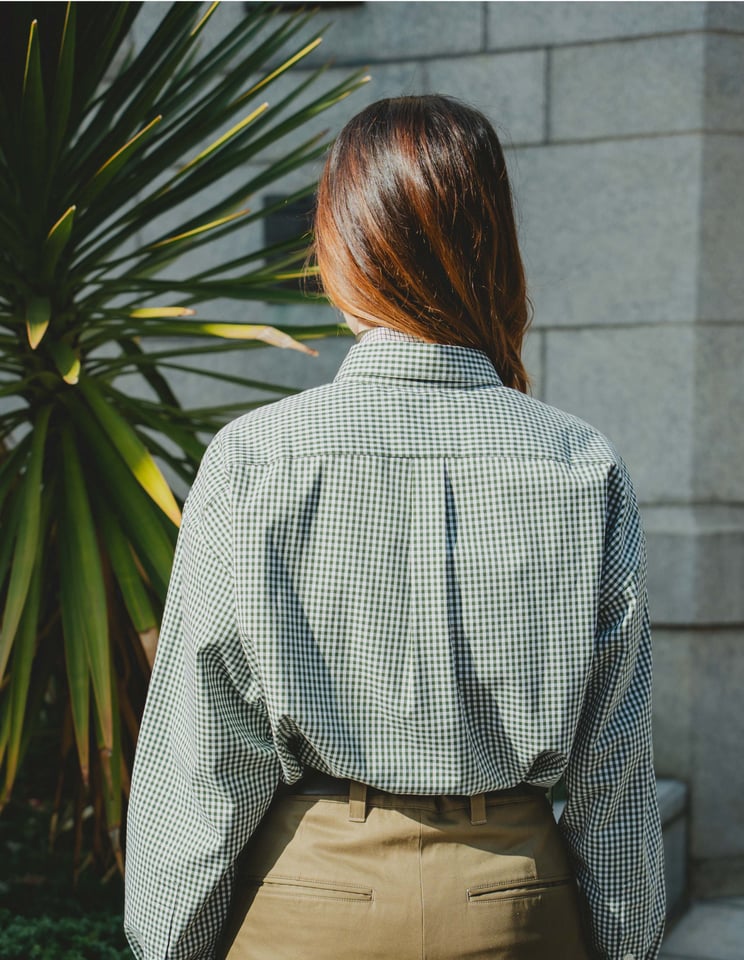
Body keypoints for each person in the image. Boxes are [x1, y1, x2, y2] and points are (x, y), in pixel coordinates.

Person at [124, 95, 665, 960]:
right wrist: (629, 942)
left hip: (305, 901)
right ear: (494, 247)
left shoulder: (255, 456)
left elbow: (204, 749)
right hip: (515, 902)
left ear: (345, 251)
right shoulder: (577, 462)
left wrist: (166, 941)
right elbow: (615, 764)